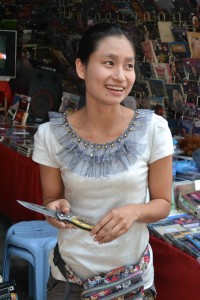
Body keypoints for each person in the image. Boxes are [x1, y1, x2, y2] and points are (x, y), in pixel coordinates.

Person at [32, 23, 173, 300]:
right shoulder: (50, 135)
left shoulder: (154, 129)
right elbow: (51, 199)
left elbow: (163, 204)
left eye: (129, 66)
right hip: (70, 281)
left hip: (133, 281)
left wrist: (133, 211)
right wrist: (54, 209)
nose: (120, 76)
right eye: (109, 63)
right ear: (82, 68)